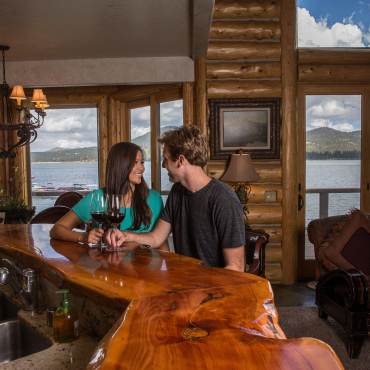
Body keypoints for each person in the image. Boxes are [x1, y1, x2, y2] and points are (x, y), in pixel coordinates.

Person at [106, 126, 245, 272]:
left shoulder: (224, 199)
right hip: (183, 281)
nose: (163, 165)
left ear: (180, 160)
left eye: (165, 159)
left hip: (213, 289)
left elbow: (235, 268)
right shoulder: (177, 192)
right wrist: (125, 235)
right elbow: (156, 238)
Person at [50, 142, 164, 246]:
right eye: (135, 163)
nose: (142, 168)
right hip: (106, 266)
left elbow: (161, 242)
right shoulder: (97, 198)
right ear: (121, 165)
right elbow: (57, 229)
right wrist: (83, 237)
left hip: (143, 267)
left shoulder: (154, 199)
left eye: (142, 162)